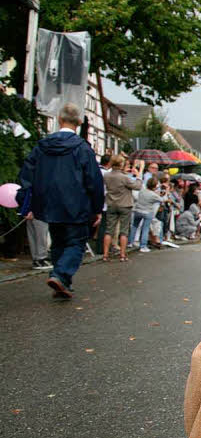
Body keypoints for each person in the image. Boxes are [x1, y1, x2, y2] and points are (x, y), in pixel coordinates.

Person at [16, 102, 104, 298]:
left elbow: (27, 175)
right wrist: (97, 208)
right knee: (76, 242)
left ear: (59, 119)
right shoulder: (83, 148)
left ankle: (64, 283)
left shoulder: (42, 146)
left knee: (58, 242)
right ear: (80, 122)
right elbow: (94, 181)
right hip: (76, 204)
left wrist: (26, 202)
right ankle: (60, 275)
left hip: (49, 204)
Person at [102, 154, 142, 262]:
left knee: (109, 230)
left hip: (111, 204)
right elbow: (137, 186)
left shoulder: (106, 175)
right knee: (124, 231)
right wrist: (138, 176)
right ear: (121, 164)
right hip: (125, 205)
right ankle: (122, 255)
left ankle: (105, 255)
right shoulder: (124, 178)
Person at [130, 176, 165, 253]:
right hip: (147, 212)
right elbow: (161, 200)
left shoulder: (142, 190)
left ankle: (130, 242)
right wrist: (160, 194)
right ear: (155, 186)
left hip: (137, 210)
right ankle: (143, 246)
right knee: (145, 228)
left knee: (134, 226)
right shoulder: (154, 195)